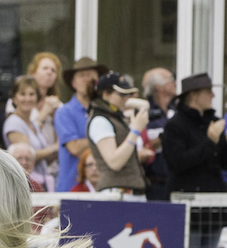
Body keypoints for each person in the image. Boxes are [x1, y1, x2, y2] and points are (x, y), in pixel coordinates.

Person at [161, 72, 227, 248]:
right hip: (188, 203)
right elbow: (178, 163)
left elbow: (222, 162)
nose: (212, 95)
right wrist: (210, 142)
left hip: (212, 203)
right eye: (208, 91)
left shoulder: (212, 121)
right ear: (193, 95)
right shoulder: (175, 126)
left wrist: (220, 143)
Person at [86, 72, 151, 201]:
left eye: (129, 94)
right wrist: (135, 130)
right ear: (105, 94)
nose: (126, 98)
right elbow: (115, 162)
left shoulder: (115, 116)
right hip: (116, 194)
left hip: (130, 194)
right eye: (121, 94)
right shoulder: (100, 120)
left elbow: (145, 105)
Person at [54, 57, 108, 191]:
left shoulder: (106, 111)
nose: (86, 79)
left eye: (90, 75)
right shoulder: (64, 112)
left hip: (103, 188)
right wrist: (105, 139)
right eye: (81, 76)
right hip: (71, 187)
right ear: (73, 83)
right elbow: (75, 148)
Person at [3, 76, 56, 190]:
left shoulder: (33, 123)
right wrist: (54, 148)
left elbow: (46, 157)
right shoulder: (13, 122)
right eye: (22, 94)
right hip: (24, 185)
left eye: (31, 94)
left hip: (41, 183)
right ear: (14, 98)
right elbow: (27, 155)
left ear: (37, 98)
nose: (27, 98)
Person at [140, 67, 176, 201]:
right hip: (154, 183)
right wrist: (168, 135)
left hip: (174, 182)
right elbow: (143, 145)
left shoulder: (176, 110)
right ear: (159, 87)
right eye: (171, 80)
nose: (175, 83)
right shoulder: (144, 112)